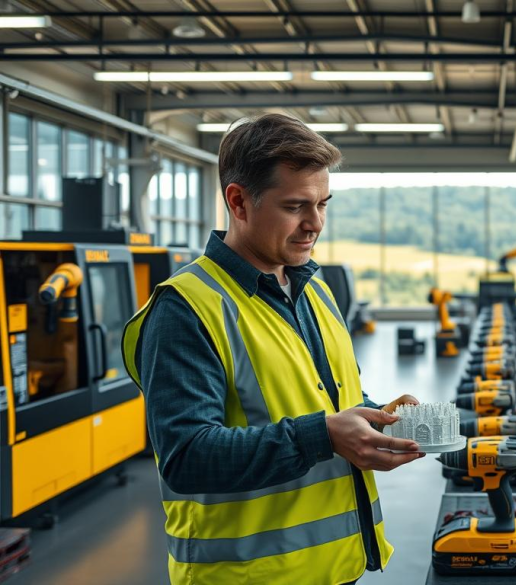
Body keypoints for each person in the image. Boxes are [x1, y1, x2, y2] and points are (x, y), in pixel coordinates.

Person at [122, 113, 423, 584]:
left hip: (333, 569)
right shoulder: (186, 308)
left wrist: (375, 418)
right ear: (238, 202)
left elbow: (327, 404)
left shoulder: (314, 290)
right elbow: (187, 456)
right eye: (295, 206)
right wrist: (324, 435)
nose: (315, 224)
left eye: (323, 203)